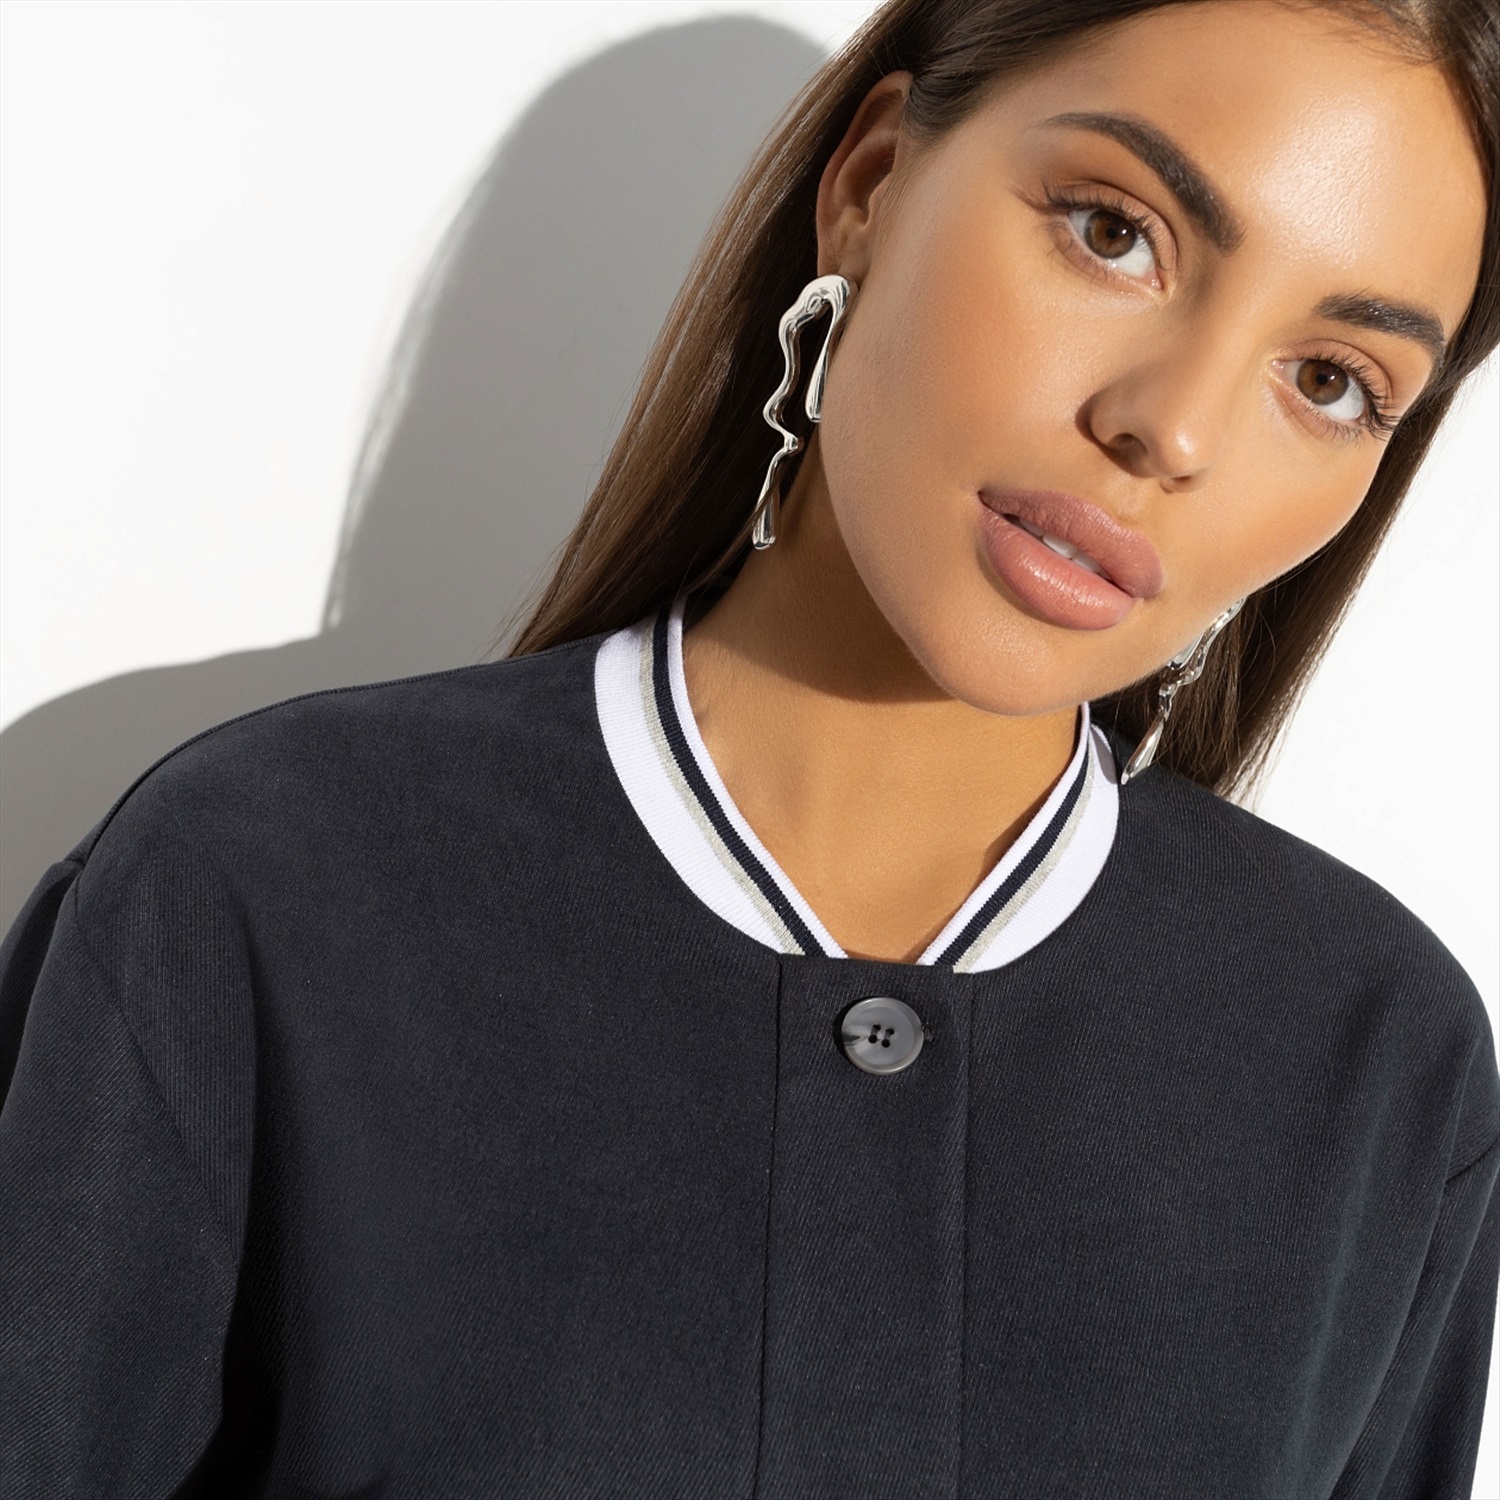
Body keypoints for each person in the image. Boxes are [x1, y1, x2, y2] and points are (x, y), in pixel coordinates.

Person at [3, 0, 1497, 1493]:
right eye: (1115, 233)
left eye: (1331, 381)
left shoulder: (1380, 1070)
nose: (1174, 429)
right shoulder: (260, 892)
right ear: (870, 184)